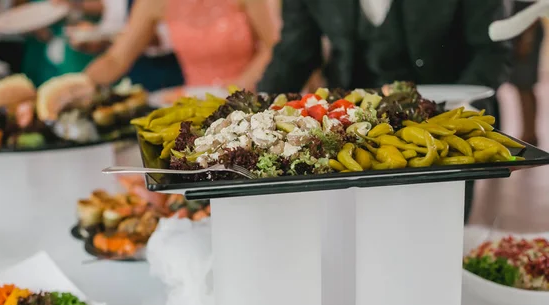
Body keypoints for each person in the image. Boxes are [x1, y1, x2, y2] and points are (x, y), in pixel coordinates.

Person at [257, 0, 512, 223]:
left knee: (434, 239)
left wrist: (459, 108)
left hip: (440, 135)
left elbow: (492, 51)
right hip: (349, 137)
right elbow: (295, 51)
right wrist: (257, 112)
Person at [84, 0, 279, 91]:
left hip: (251, 93)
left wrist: (238, 86)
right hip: (195, 100)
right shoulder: (152, 3)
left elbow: (274, 46)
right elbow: (116, 59)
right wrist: (81, 83)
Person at [509, 1, 545, 146]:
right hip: (522, 26)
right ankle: (529, 131)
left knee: (525, 84)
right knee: (522, 86)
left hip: (527, 28)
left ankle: (529, 133)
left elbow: (534, 7)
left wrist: (527, 38)